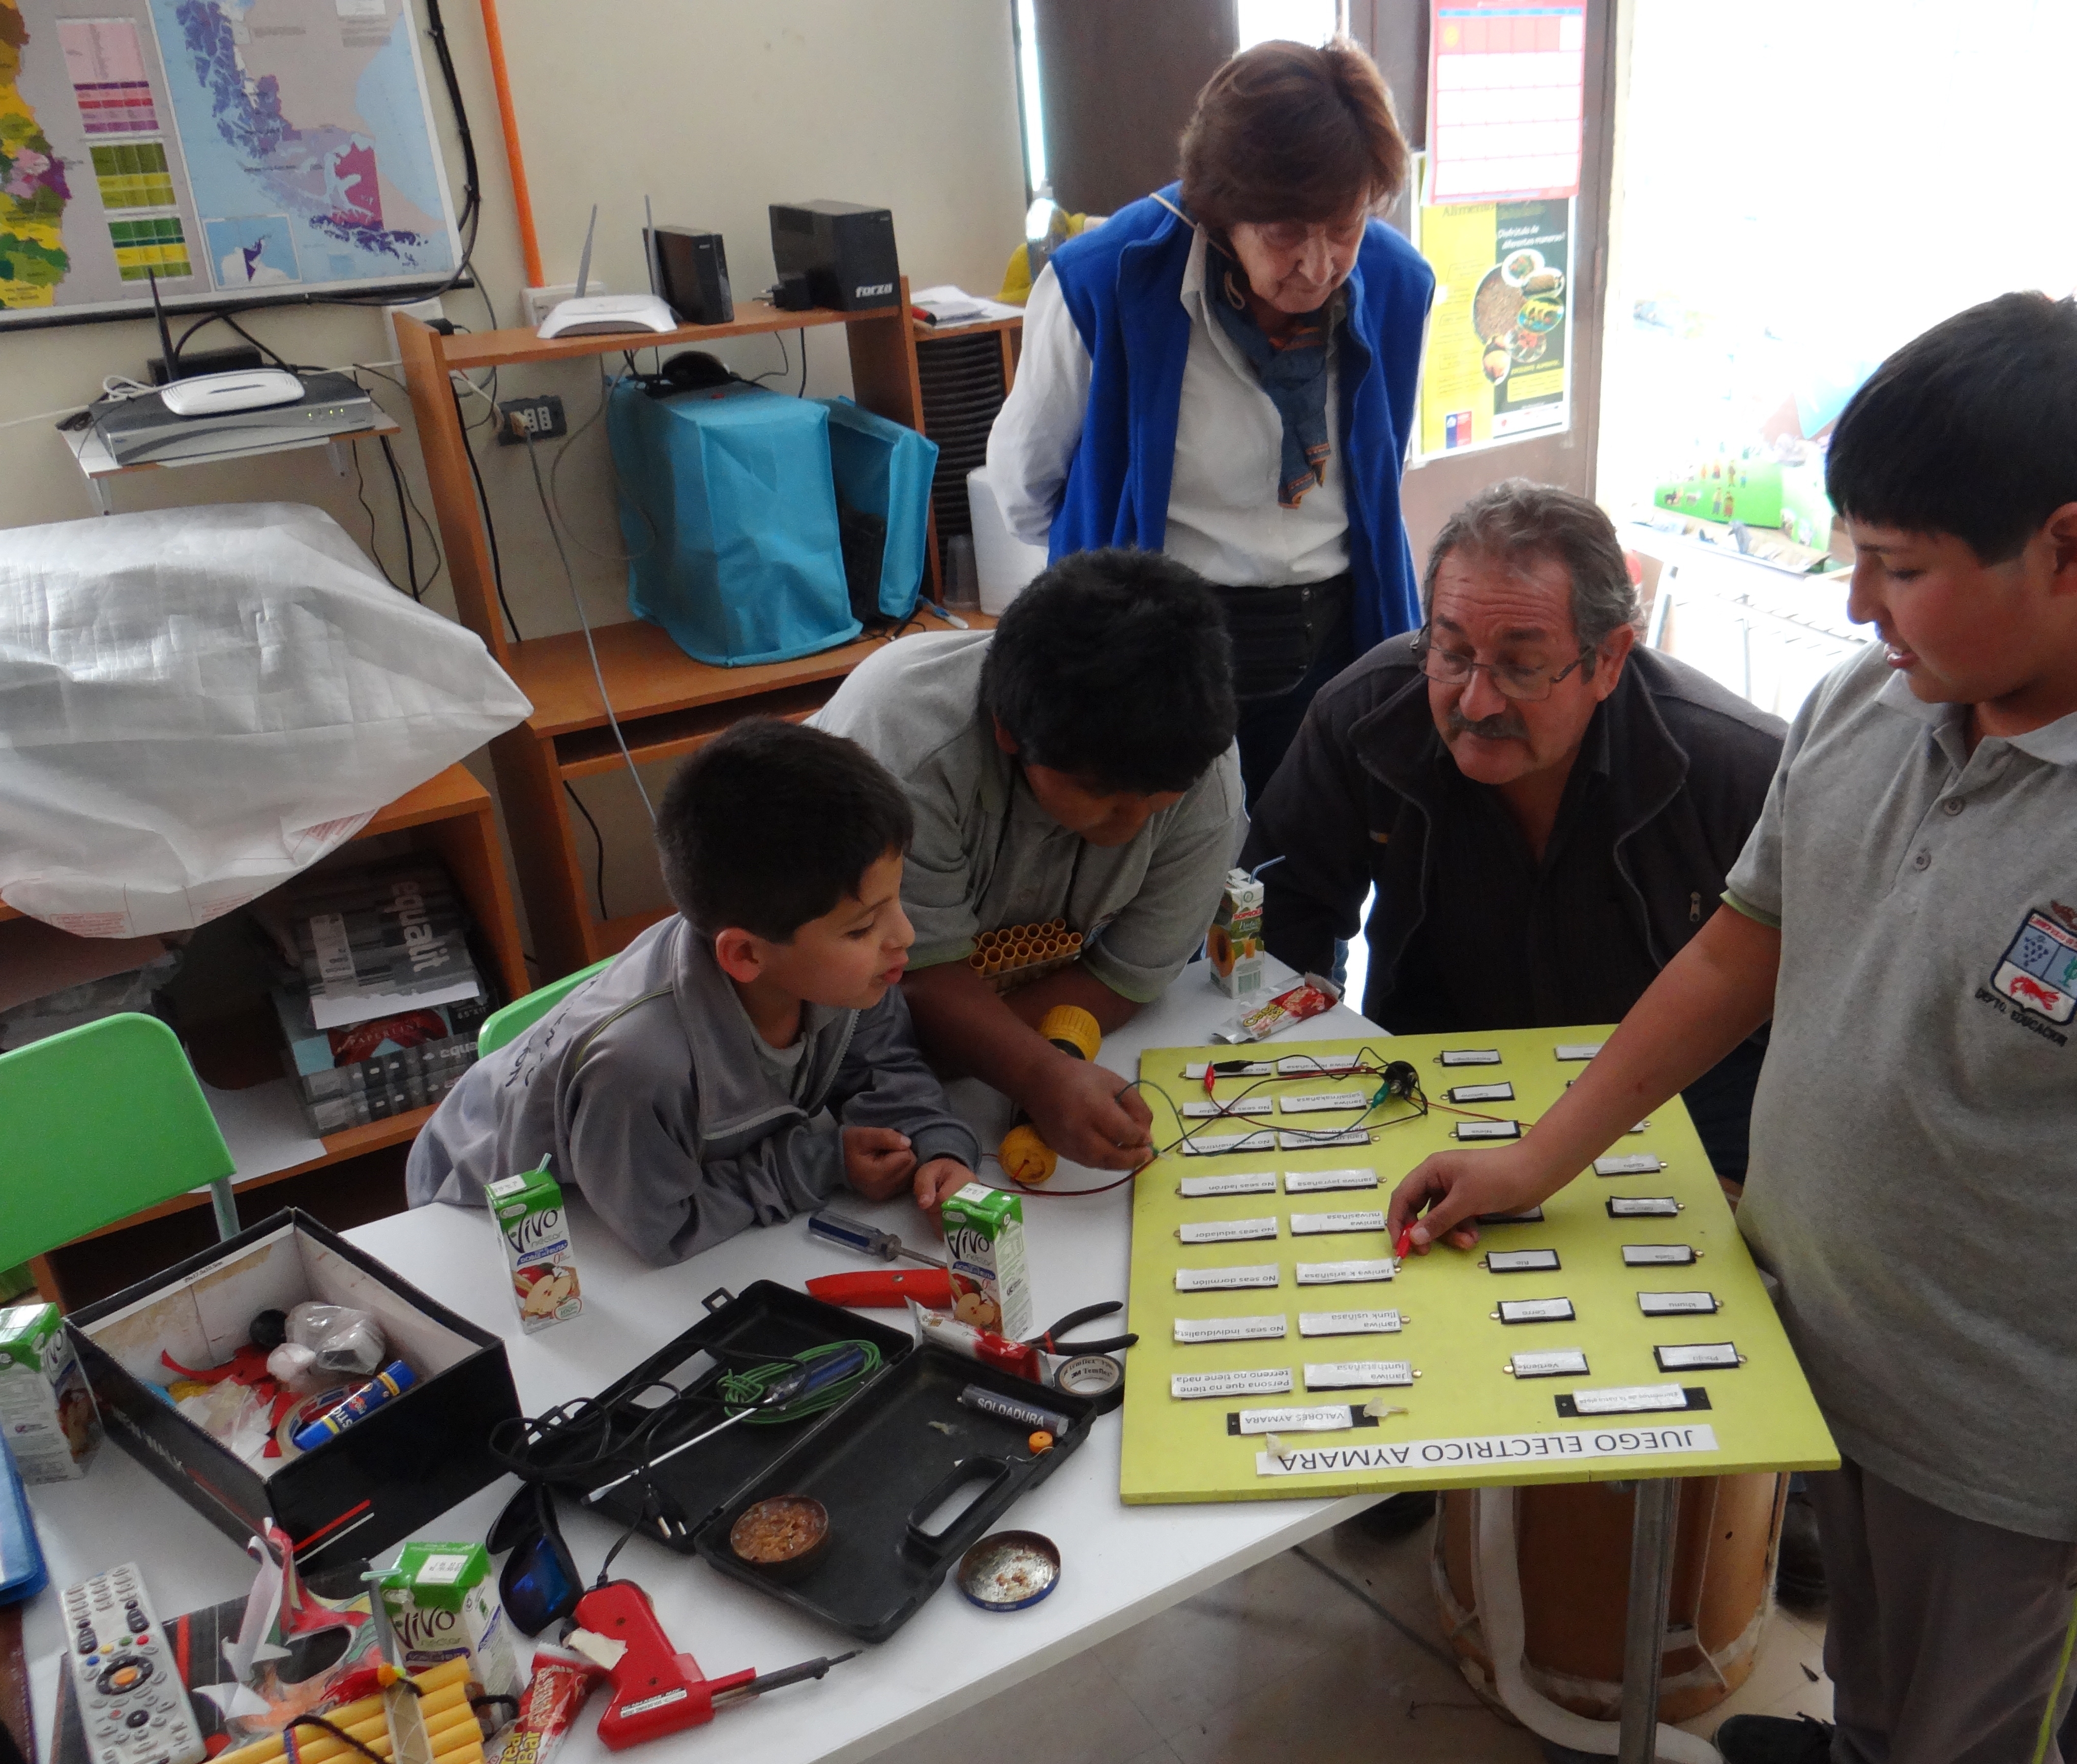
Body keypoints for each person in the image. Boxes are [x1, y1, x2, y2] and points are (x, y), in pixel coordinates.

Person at [1387, 293, 2077, 1764]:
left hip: (2018, 1448)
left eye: (1903, 568)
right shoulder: (1874, 704)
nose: (1857, 604)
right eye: (1853, 552)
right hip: (1818, 1344)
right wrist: (1543, 1156)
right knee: (1876, 1650)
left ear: (2069, 549)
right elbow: (1740, 952)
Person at [1244, 479, 1784, 1188]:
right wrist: (1323, 1083)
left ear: (1611, 659)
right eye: (1452, 652)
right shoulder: (1365, 718)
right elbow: (1279, 921)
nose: (1476, 699)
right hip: (1433, 1093)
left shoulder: (1738, 769)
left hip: (1681, 1120)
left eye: (1522, 667)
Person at [983, 36, 1434, 804]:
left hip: (1331, 640)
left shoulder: (1396, 284)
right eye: (1286, 232)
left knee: (1300, 885)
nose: (1320, 264)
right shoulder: (1105, 283)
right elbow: (1027, 488)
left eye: (1345, 226)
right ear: (1223, 212)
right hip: (1151, 655)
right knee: (1155, 884)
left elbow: (1382, 468)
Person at [406, 720, 978, 1265]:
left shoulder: (841, 974)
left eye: (894, 903)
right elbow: (662, 1225)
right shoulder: (638, 1070)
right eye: (862, 928)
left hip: (628, 1169)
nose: (903, 936)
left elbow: (885, 1066)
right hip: (483, 1224)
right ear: (746, 955)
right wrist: (819, 1163)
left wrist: (936, 1143)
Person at [815, 548, 1242, 1174]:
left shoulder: (1202, 777)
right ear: (1008, 732)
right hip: (822, 1059)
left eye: (1159, 804)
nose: (1128, 828)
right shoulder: (903, 755)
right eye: (1101, 798)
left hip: (921, 1057)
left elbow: (1125, 978)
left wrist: (1013, 1061)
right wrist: (1038, 1074)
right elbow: (911, 975)